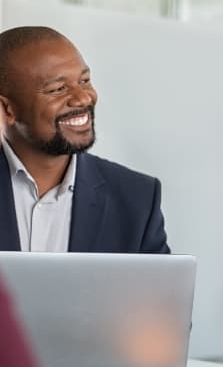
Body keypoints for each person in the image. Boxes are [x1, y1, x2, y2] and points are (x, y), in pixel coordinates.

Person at [0, 25, 169, 253]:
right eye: (58, 89)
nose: (82, 98)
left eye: (84, 81)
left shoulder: (137, 198)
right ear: (7, 109)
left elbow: (161, 288)